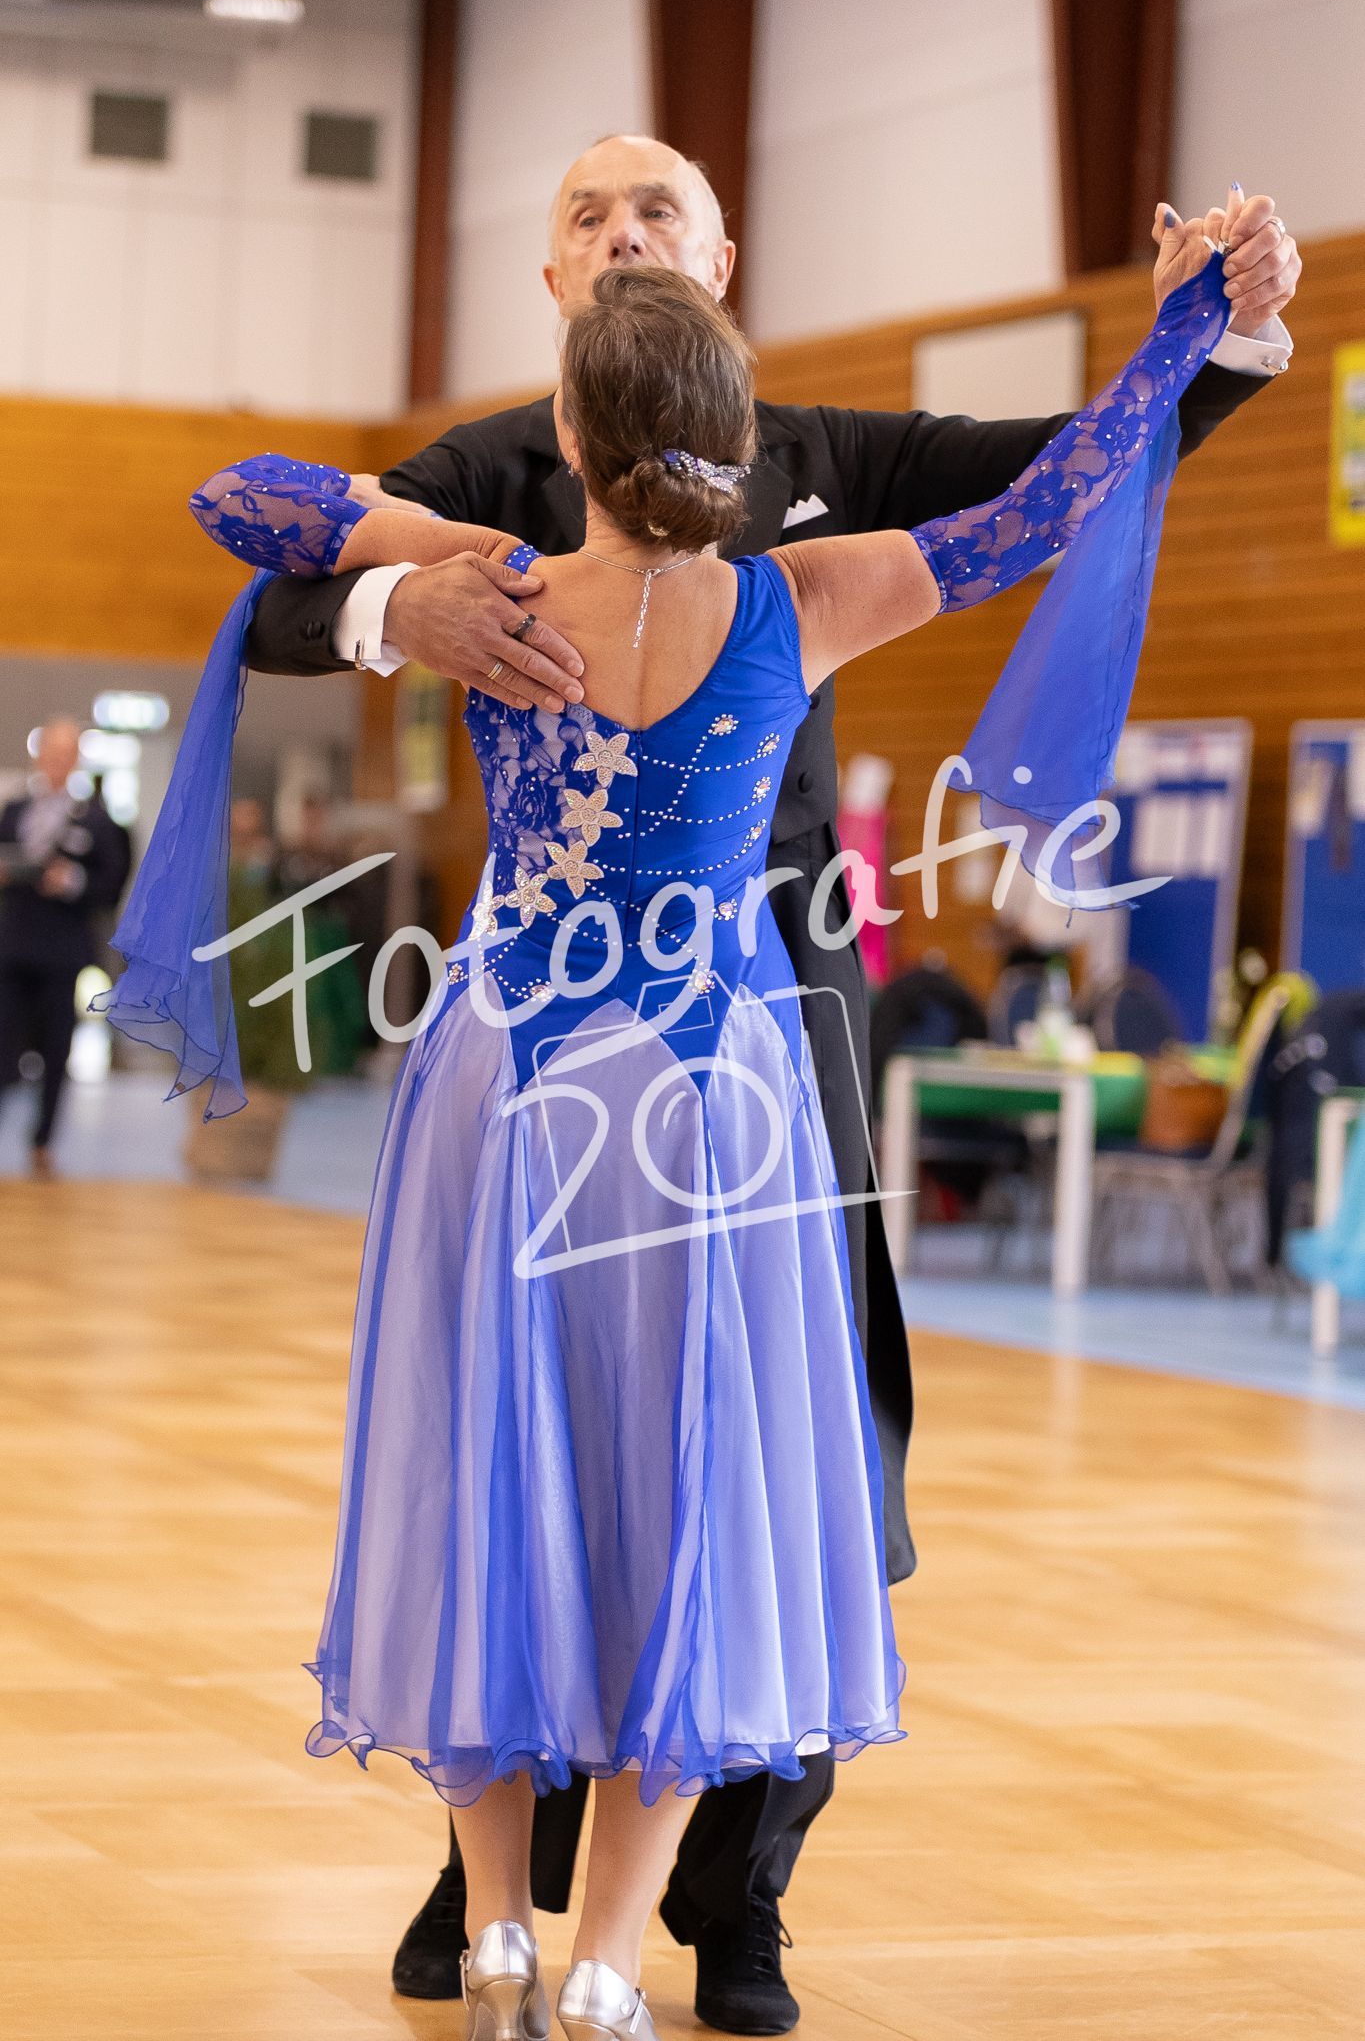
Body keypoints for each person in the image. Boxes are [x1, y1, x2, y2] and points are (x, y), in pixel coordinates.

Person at [118, 222, 1246, 2041]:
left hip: (504, 1076)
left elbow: (232, 498)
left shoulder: (495, 582)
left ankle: (497, 1929)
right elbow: (1056, 499)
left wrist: (402, 565)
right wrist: (1187, 326)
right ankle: (608, 1962)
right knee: (687, 1496)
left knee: (490, 1470)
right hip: (705, 1090)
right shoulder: (816, 595)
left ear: (570, 436)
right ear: (734, 433)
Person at [0, 720, 130, 1177]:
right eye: (50, 753)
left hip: (62, 951)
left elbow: (112, 883)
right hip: (13, 948)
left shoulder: (95, 820)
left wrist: (72, 881)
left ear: (75, 759)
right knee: (4, 1044)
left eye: (65, 754)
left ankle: (43, 1142)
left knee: (56, 1049)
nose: (56, 762)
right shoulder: (14, 811)